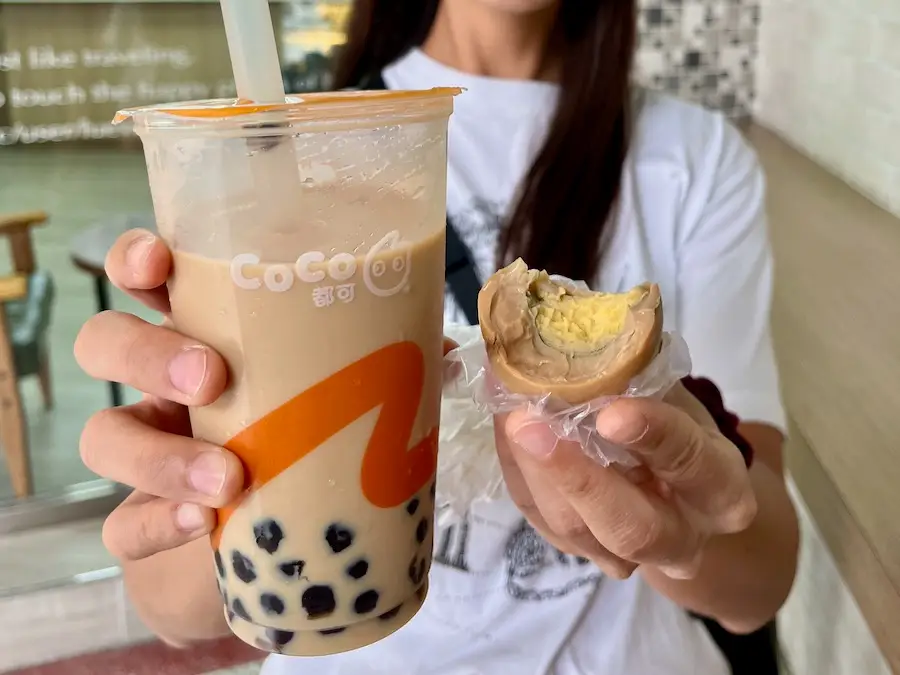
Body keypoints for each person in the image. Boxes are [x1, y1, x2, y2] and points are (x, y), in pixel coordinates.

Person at [74, 0, 800, 673]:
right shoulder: (282, 147)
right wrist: (200, 475)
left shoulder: (697, 162)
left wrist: (683, 525)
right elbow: (171, 611)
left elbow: (763, 578)